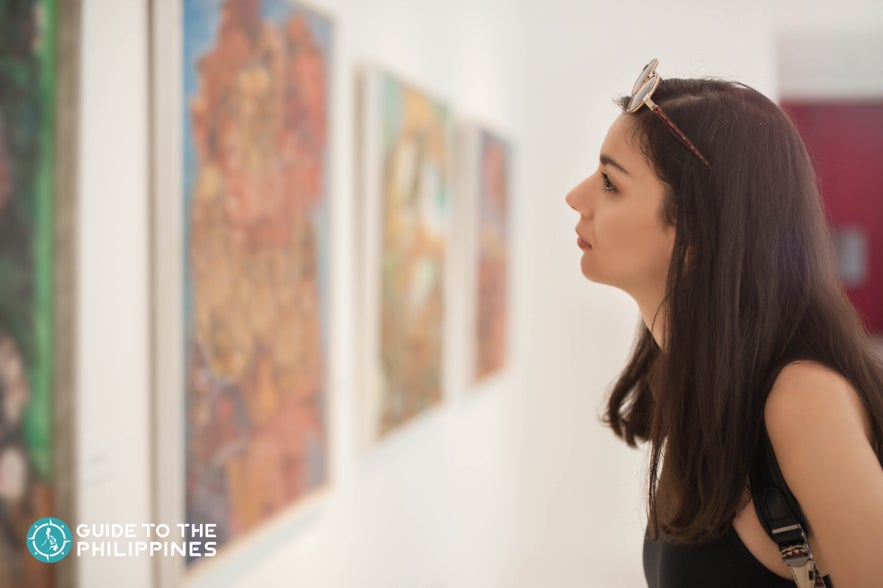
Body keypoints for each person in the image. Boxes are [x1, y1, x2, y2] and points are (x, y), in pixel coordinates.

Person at [565, 59, 883, 588]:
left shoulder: (802, 399)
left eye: (609, 183)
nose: (577, 198)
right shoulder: (700, 376)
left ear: (699, 228)